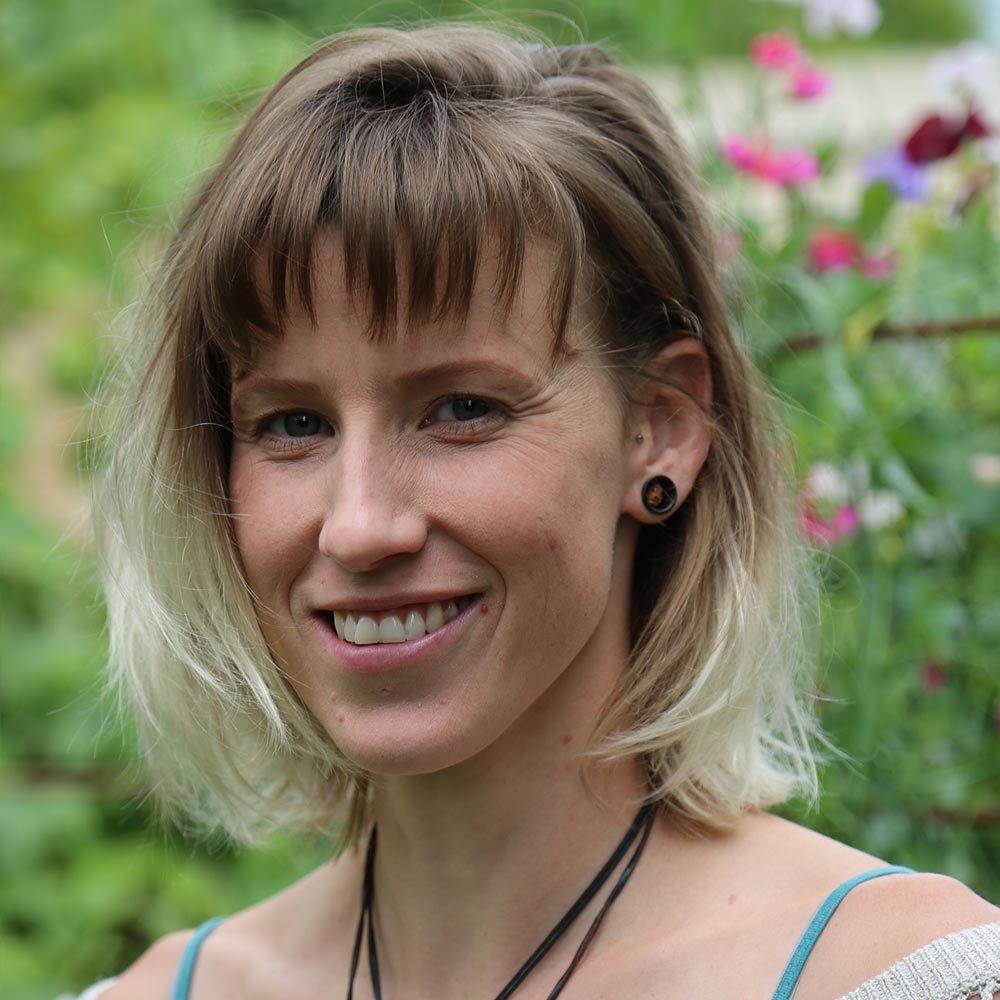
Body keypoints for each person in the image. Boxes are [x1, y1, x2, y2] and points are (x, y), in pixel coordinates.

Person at [87, 23, 998, 1000]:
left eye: (461, 409)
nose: (357, 526)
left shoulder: (907, 978)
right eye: (292, 423)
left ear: (660, 428)